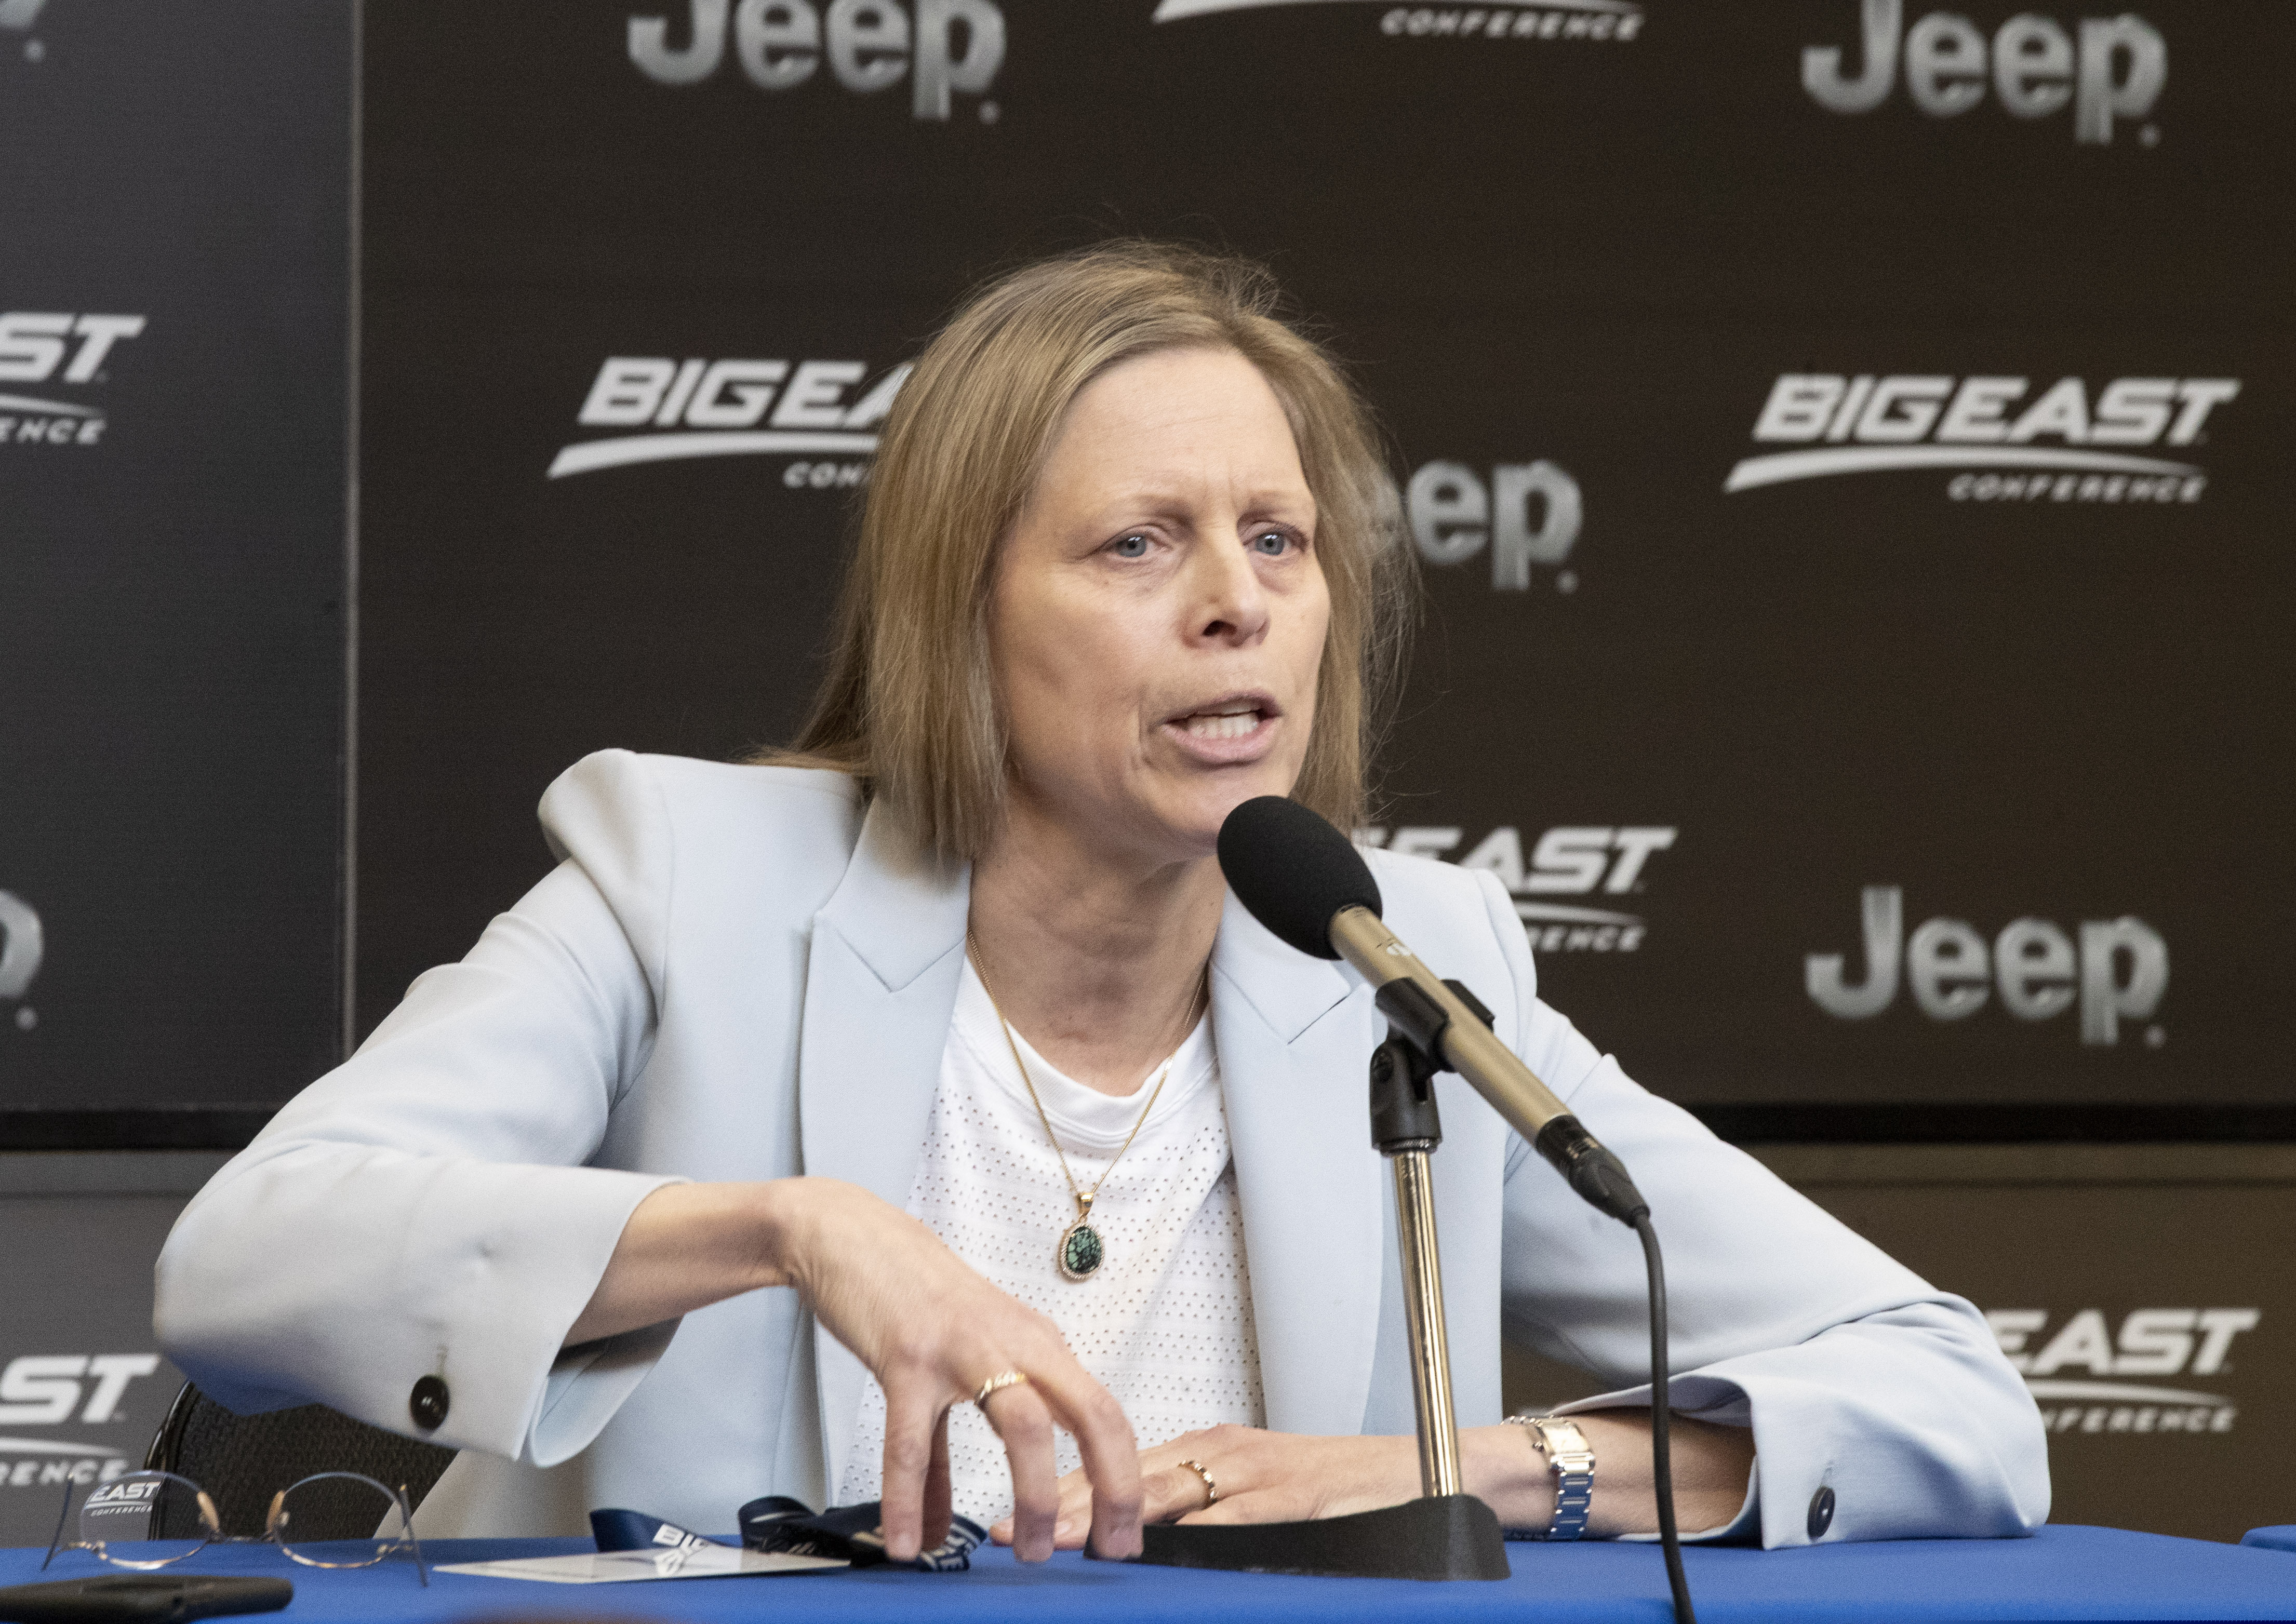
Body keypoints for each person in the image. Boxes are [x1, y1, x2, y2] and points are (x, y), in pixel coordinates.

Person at [155, 243, 2048, 1562]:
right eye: (1140, 542)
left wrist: (1451, 1468)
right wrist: (793, 1228)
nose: (1238, 600)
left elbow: (1955, 1393)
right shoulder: (687, 888)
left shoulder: (1411, 964)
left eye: (1280, 540)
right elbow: (249, 1261)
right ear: (957, 612)